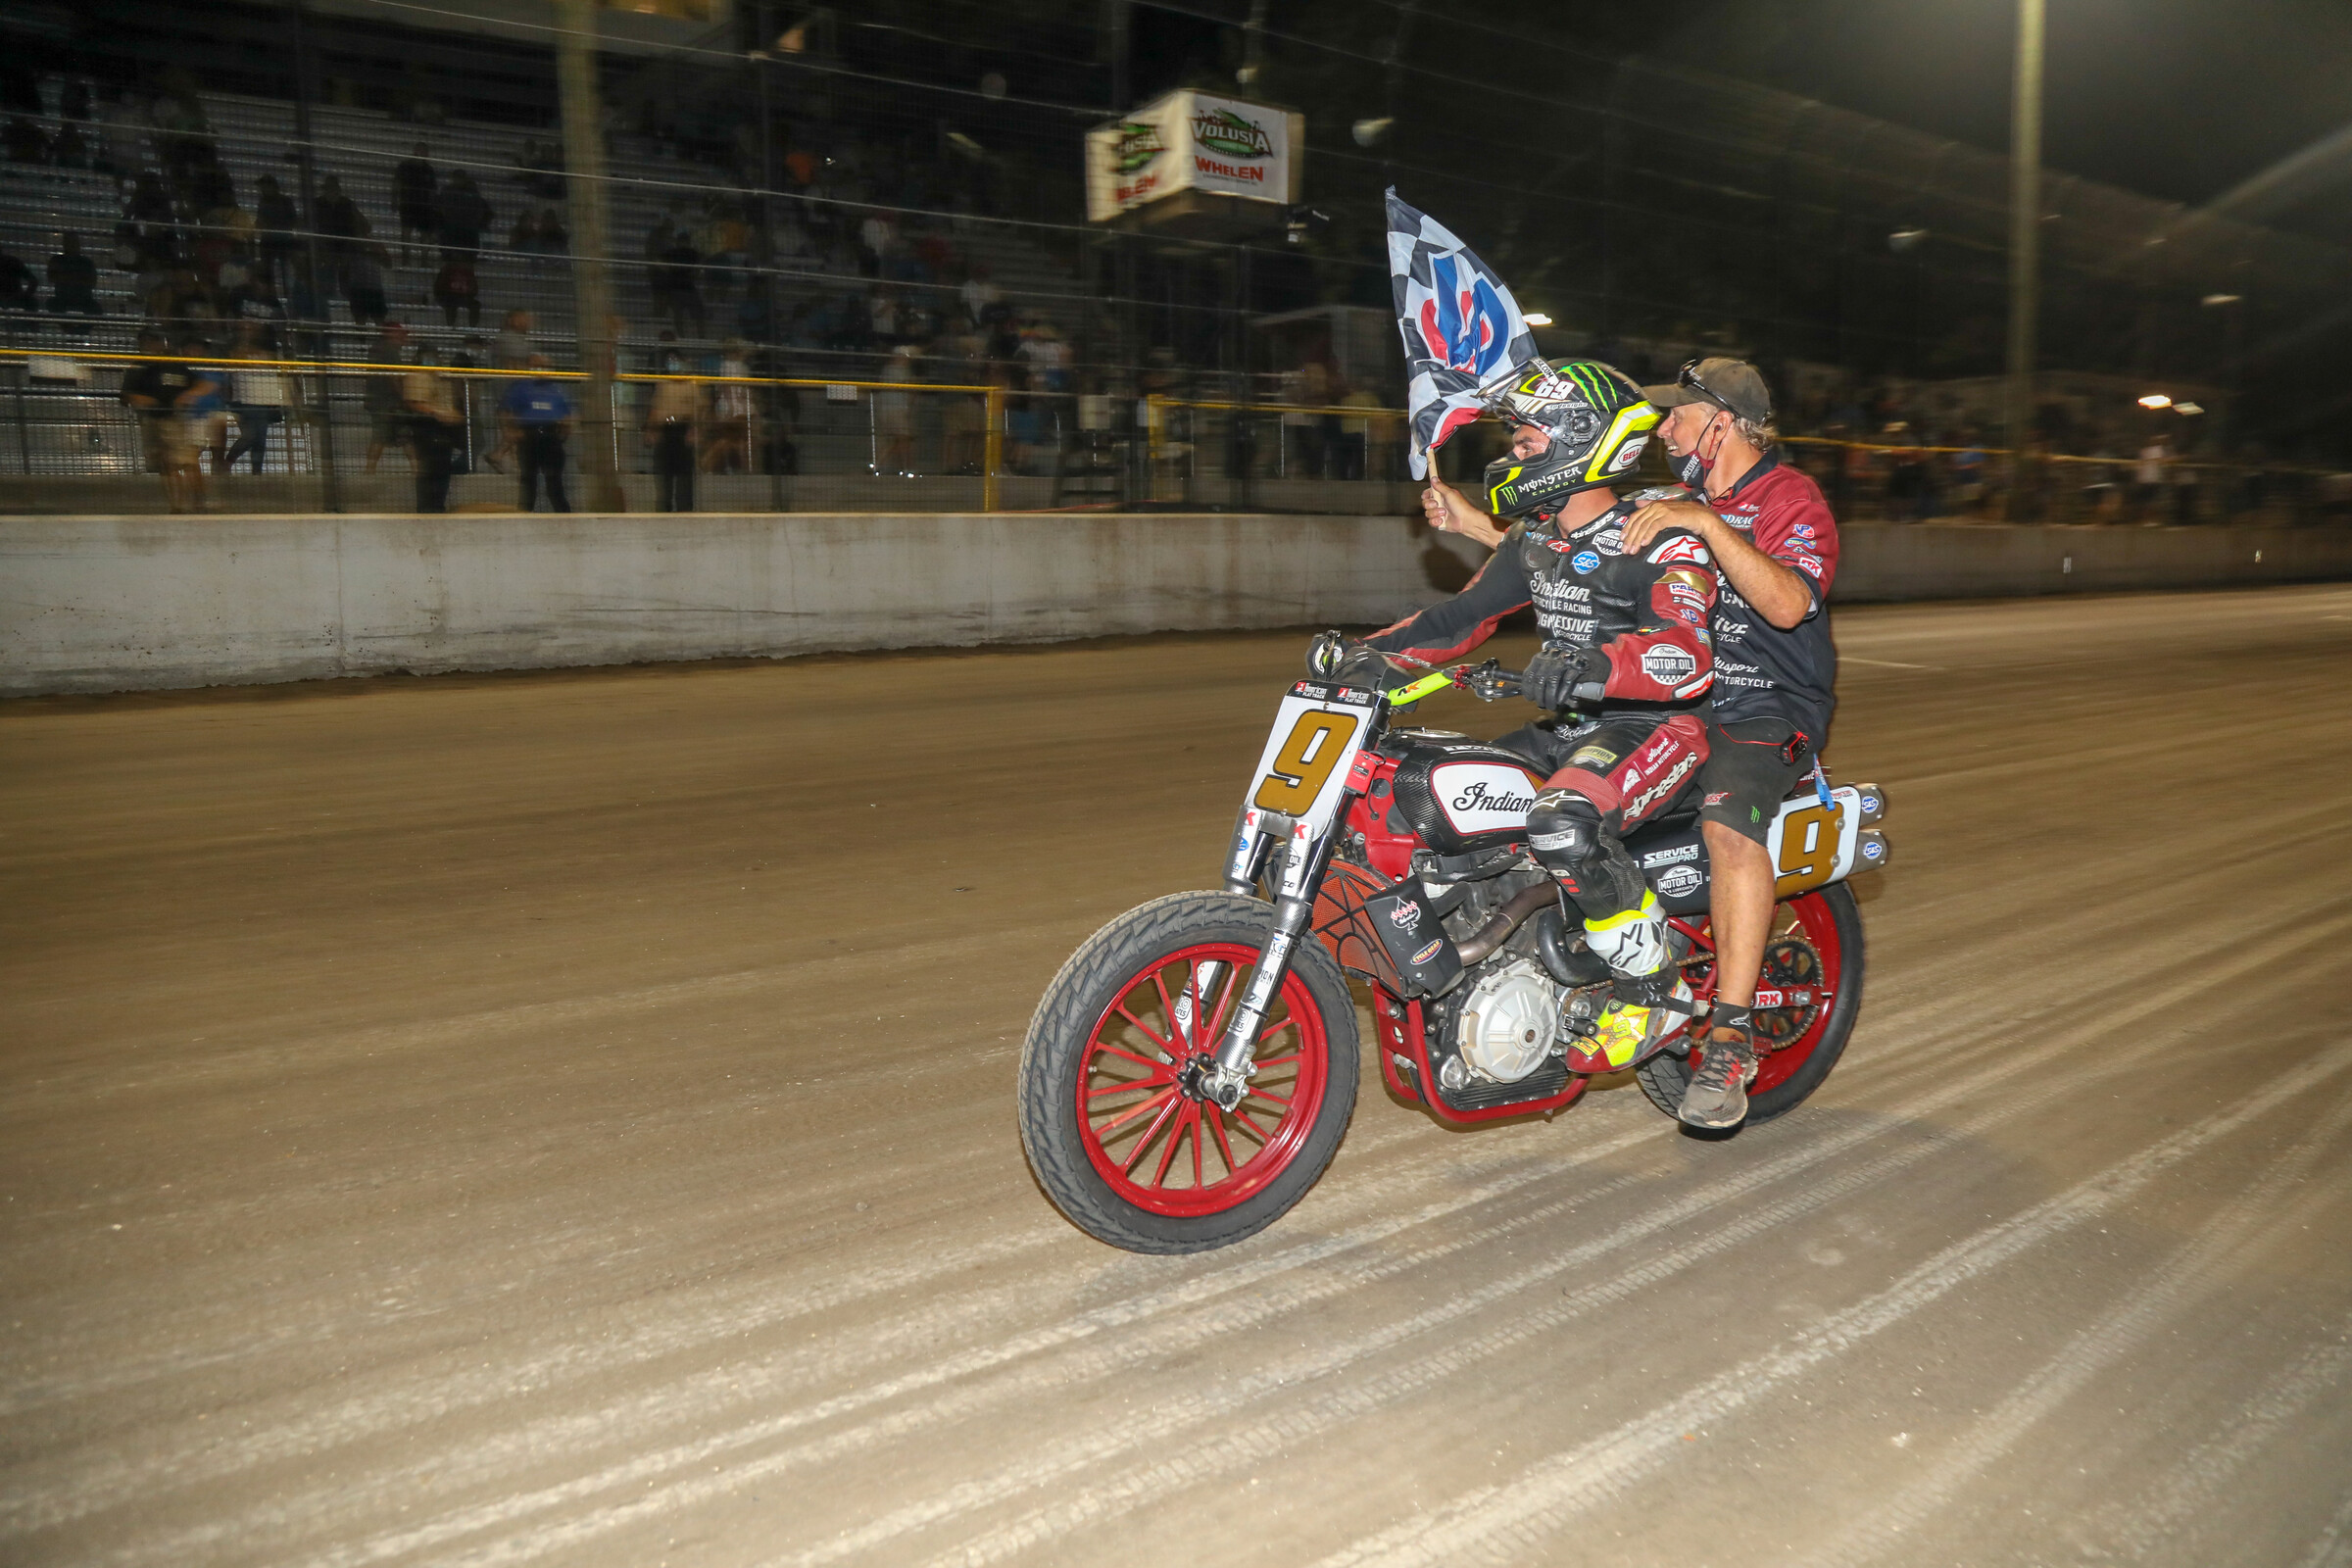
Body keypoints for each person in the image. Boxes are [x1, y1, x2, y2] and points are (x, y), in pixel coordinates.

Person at [1341, 360, 1718, 1074]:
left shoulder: (1660, 534)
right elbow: (1458, 619)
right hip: (1569, 729)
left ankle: (1658, 991)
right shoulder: (1537, 539)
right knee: (1435, 797)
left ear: (1586, 437)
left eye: (1526, 440)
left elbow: (1687, 652)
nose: (1511, 453)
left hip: (1656, 729)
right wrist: (1358, 656)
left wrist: (1599, 665)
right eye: (1514, 440)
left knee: (1560, 821)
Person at [1618, 357, 1841, 1129]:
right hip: (1681, 701)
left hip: (1770, 709)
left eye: (1676, 416)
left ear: (1722, 423)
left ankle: (1731, 1039)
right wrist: (1476, 523)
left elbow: (1786, 605)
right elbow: (1570, 549)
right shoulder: (1671, 500)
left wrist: (1709, 526)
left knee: (1725, 821)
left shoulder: (1791, 497)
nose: (1663, 430)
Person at [118, 328, 213, 513]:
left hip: (176, 420)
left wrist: (189, 395)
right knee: (167, 465)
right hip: (152, 421)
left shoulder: (174, 365)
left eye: (153, 341)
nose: (150, 345)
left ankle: (199, 503)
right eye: (145, 341)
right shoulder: (139, 367)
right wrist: (141, 399)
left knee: (187, 462)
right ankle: (177, 505)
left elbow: (203, 384)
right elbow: (126, 396)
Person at [500, 354, 573, 512]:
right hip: (529, 437)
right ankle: (525, 515)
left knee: (554, 482)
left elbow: (567, 415)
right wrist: (511, 430)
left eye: (546, 366)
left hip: (551, 436)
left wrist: (565, 430)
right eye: (538, 366)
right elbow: (507, 412)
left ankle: (564, 517)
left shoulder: (557, 389)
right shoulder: (520, 387)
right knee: (528, 482)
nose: (542, 370)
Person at [402, 345, 464, 511]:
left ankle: (437, 506)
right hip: (426, 427)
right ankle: (427, 507)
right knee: (429, 471)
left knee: (443, 471)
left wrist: (451, 415)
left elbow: (450, 405)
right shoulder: (416, 376)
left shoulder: (441, 378)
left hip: (444, 429)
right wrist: (437, 412)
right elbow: (414, 403)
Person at [221, 325, 287, 474]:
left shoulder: (271, 353)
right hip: (243, 400)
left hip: (263, 400)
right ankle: (228, 462)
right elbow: (234, 364)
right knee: (250, 436)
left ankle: (256, 471)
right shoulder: (236, 351)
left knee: (260, 438)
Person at [644, 349, 699, 512]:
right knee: (664, 474)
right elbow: (655, 409)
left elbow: (698, 411)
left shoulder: (692, 385)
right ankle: (664, 509)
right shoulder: (663, 384)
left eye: (675, 360)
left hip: (683, 429)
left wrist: (694, 430)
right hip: (665, 430)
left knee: (684, 475)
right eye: (670, 361)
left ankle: (685, 509)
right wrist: (650, 430)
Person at [363, 320, 411, 473]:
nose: (404, 338)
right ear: (391, 334)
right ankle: (369, 471)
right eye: (400, 334)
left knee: (405, 436)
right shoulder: (388, 350)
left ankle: (417, 471)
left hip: (381, 400)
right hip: (386, 401)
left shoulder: (378, 349)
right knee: (381, 436)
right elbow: (394, 377)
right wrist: (403, 398)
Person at [392, 142, 438, 266]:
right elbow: (397, 183)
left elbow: (432, 190)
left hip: (424, 206)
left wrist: (433, 206)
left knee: (425, 233)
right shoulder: (404, 166)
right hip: (408, 204)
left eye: (426, 151)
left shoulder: (428, 169)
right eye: (423, 151)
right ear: (416, 151)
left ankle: (424, 260)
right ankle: (406, 259)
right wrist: (394, 199)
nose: (425, 154)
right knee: (406, 232)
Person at [46, 231, 101, 321]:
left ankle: (81, 330)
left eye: (74, 242)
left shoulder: (86, 262)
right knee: (52, 304)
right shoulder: (57, 260)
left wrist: (66, 278)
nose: (71, 245)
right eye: (68, 242)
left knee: (95, 309)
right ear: (64, 244)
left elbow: (92, 282)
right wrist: (78, 278)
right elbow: (51, 277)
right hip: (62, 298)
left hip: (84, 299)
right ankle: (67, 327)